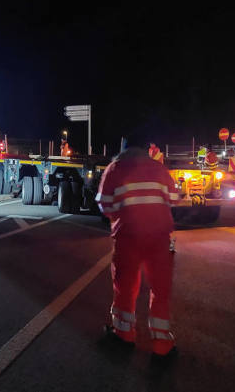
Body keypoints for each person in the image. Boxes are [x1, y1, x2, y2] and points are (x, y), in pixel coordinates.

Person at [96, 142, 178, 358]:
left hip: (127, 238)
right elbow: (174, 198)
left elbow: (105, 205)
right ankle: (162, 345)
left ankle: (124, 335)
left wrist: (121, 215)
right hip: (160, 238)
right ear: (146, 150)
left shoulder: (115, 169)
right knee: (160, 290)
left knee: (125, 288)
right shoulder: (159, 169)